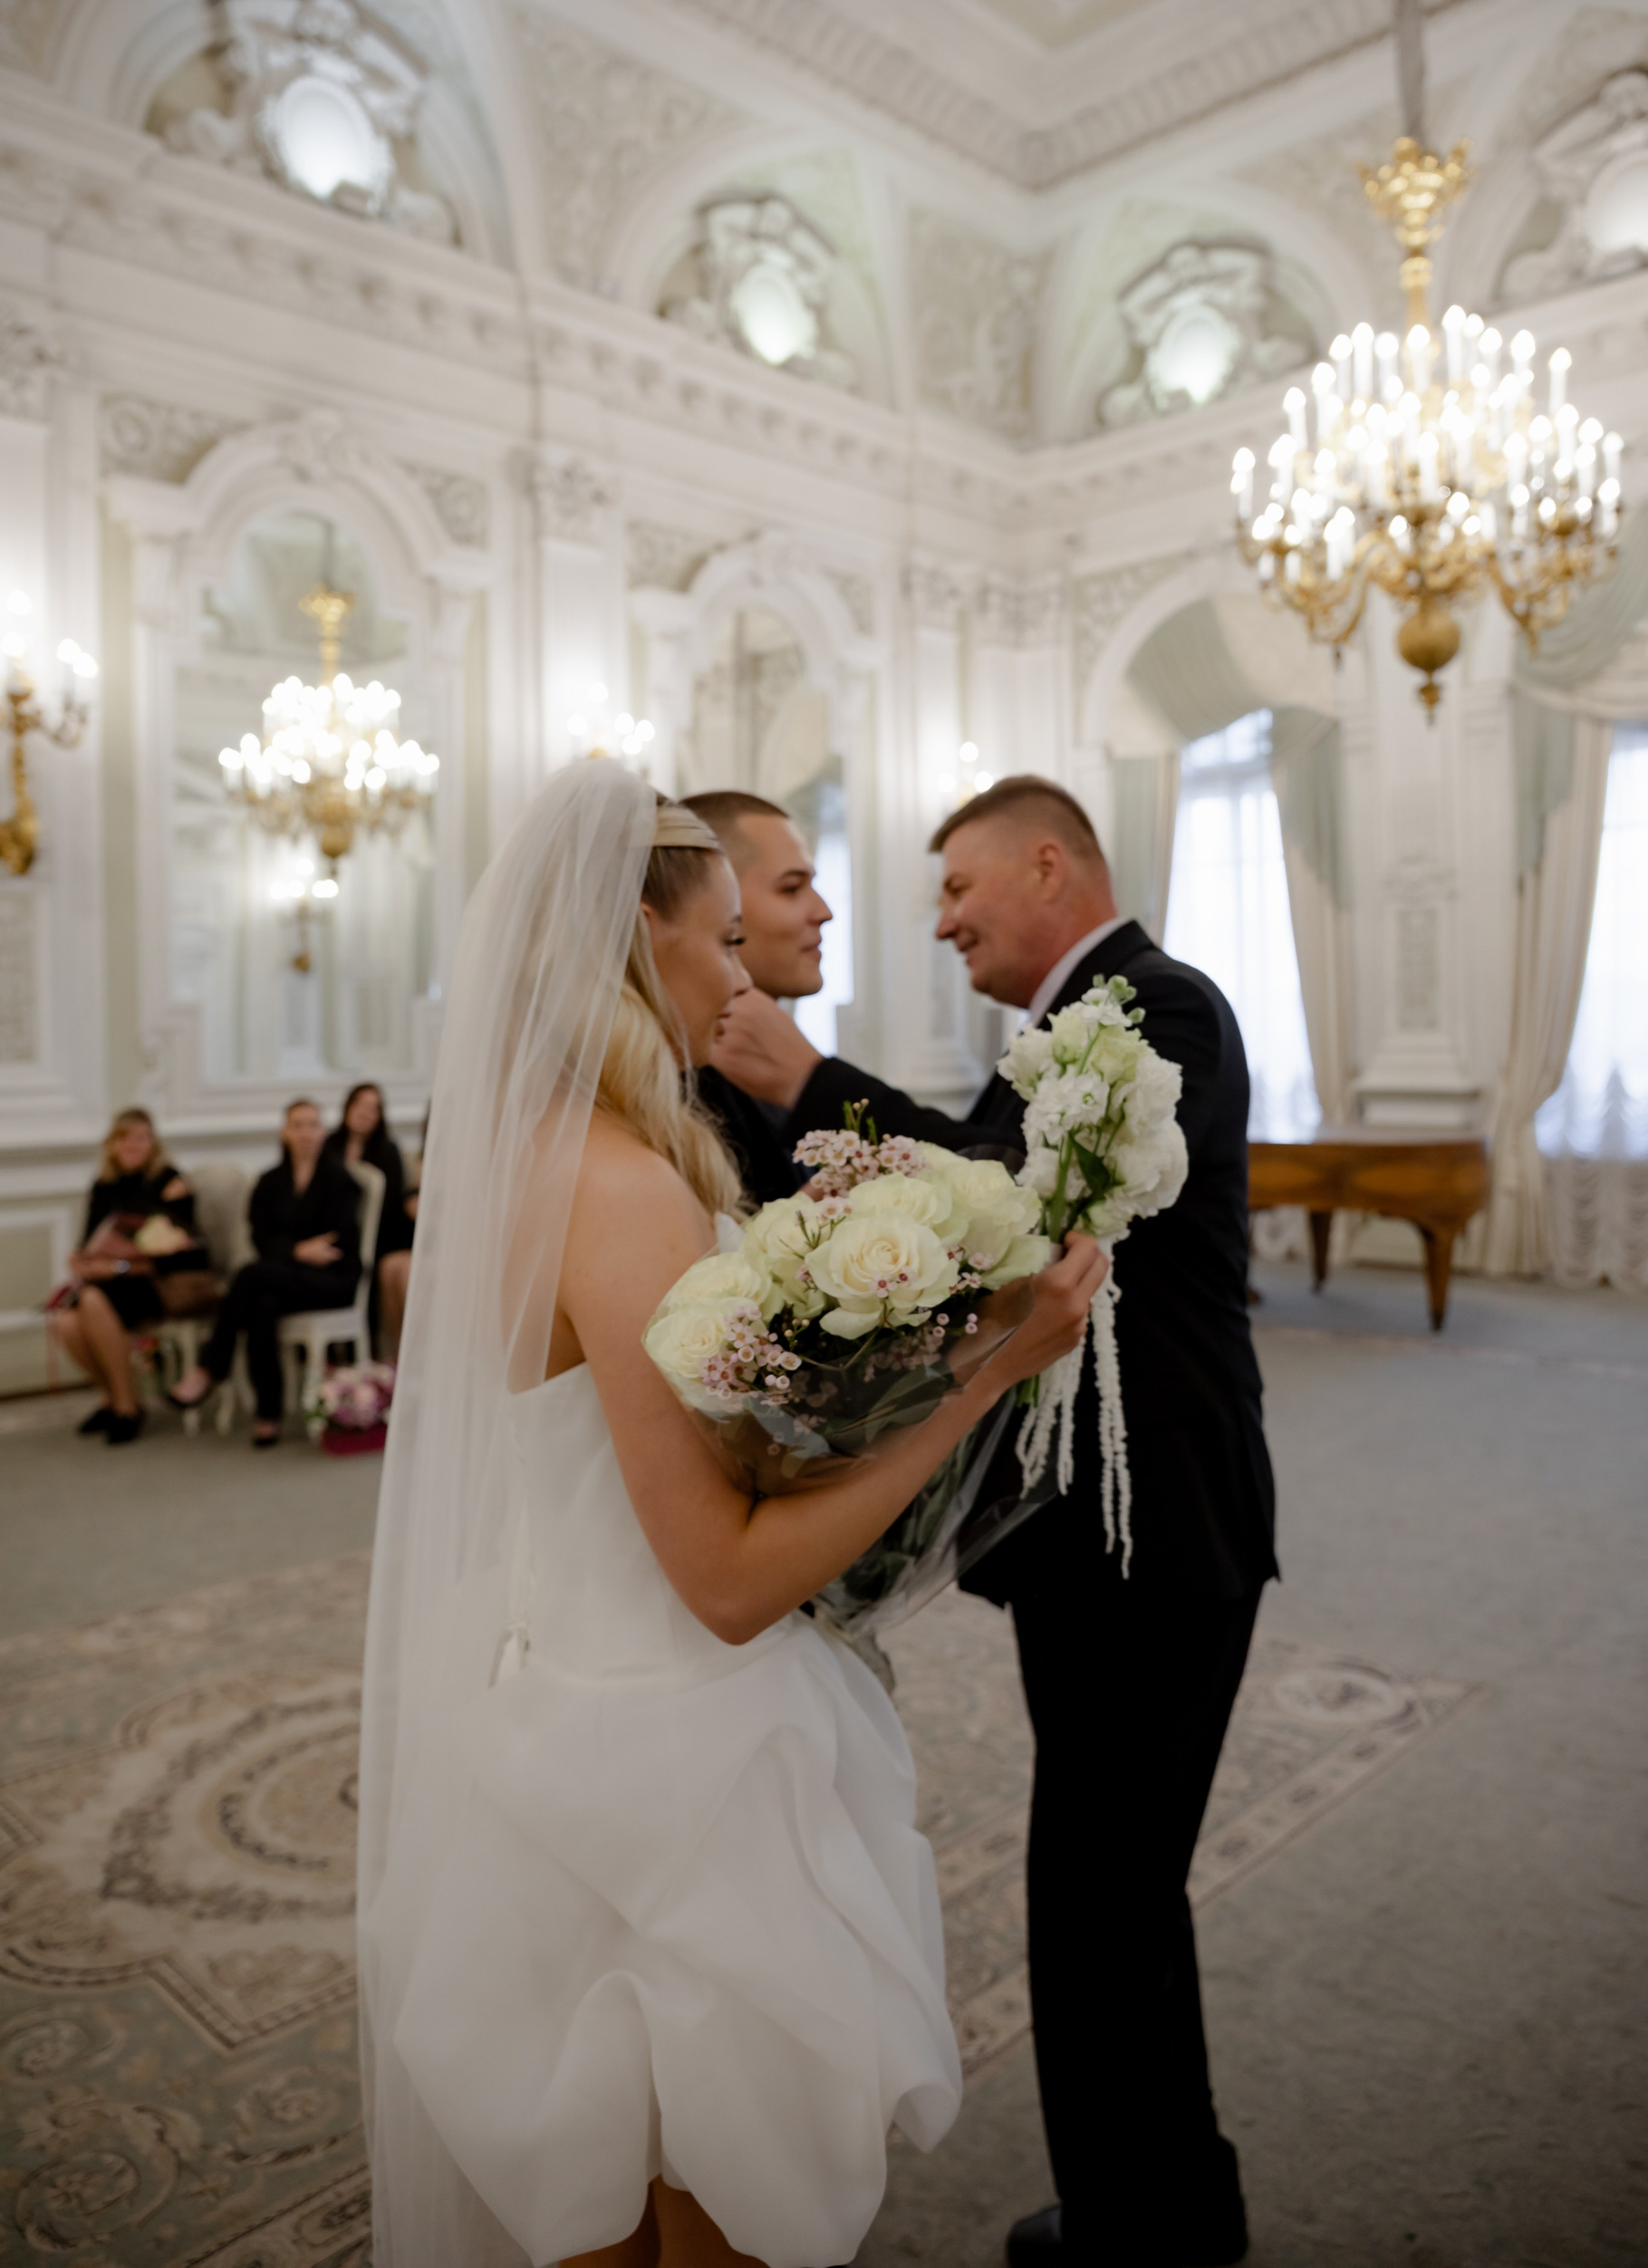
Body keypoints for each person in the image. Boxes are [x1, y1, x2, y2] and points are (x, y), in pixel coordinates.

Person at [355, 761, 1105, 2268]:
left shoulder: (525, 1162)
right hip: (667, 1753)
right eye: (719, 940)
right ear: (641, 940)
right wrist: (986, 1371)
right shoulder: (621, 1185)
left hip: (540, 1702)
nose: (741, 972)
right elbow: (719, 1573)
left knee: (607, 2202)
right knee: (715, 2210)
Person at [710, 773, 1277, 2268]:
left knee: (1095, 1900)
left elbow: (1009, 1215)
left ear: (1046, 863)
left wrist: (809, 1078)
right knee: (1113, 1892)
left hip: (1157, 1528)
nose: (938, 918)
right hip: (1096, 1536)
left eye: (956, 886)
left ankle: (1131, 2225)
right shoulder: (1058, 1037)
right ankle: (1168, 2203)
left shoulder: (1164, 1010)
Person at [169, 1098, 361, 1447]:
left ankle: (210, 1367)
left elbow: (338, 1242)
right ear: (284, 1132)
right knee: (262, 1303)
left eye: (312, 1125)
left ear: (324, 1132)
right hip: (284, 1279)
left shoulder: (339, 1179)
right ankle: (268, 1413)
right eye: (298, 1125)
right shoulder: (271, 1181)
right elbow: (260, 1236)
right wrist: (299, 1250)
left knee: (249, 1277)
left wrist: (287, 1251)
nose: (305, 1133)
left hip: (333, 1281)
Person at [678, 789, 834, 1201]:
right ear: (718, 897)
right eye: (791, 888)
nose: (823, 911)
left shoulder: (782, 1055)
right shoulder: (686, 1083)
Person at [53, 1107, 205, 1447]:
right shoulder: (104, 1185)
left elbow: (186, 1253)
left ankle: (127, 1407)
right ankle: (111, 1398)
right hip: (111, 1281)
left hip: (154, 1282)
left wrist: (117, 1268)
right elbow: (90, 1240)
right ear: (113, 1143)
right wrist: (81, 1261)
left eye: (142, 1137)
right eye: (126, 1137)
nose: (134, 1145)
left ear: (153, 1143)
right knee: (66, 1321)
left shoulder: (171, 1182)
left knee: (92, 1300)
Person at [323, 1082, 414, 1358]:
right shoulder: (329, 1147)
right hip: (338, 1233)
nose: (365, 1113)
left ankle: (368, 1352)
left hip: (381, 1235)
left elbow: (391, 1205)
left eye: (373, 1109)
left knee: (367, 1264)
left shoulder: (387, 1151)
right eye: (360, 1105)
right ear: (348, 1107)